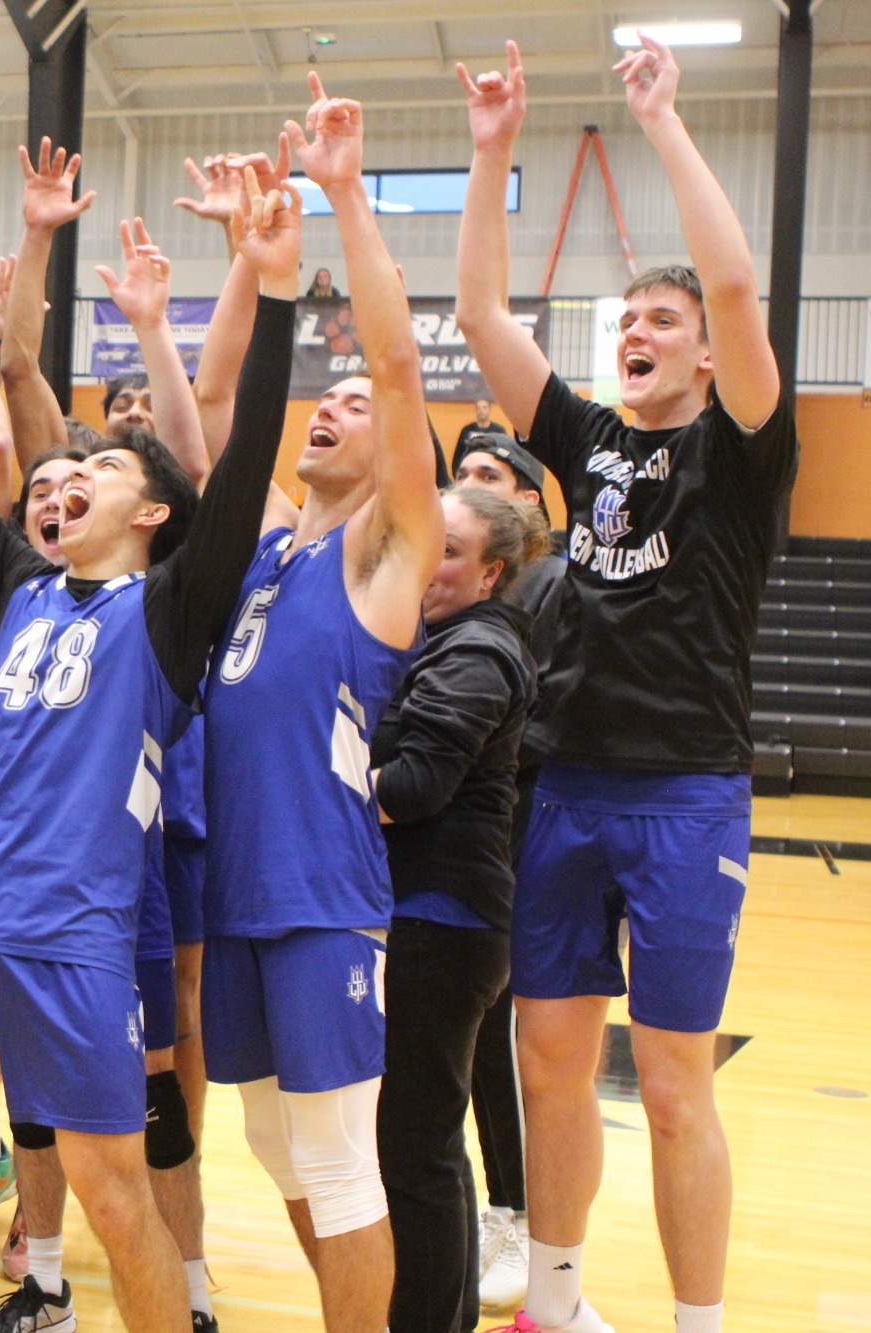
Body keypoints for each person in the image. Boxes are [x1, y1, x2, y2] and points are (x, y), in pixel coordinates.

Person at [0, 154, 294, 1331]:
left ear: (149, 513)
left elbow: (248, 457)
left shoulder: (168, 612)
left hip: (71, 927)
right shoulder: (16, 581)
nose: (70, 484)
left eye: (101, 469)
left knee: (113, 1189)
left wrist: (275, 293)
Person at [454, 37, 797, 1333]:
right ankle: (553, 1299)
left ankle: (697, 1319)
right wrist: (490, 154)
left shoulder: (742, 450)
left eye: (662, 321)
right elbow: (486, 318)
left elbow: (737, 282)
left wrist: (659, 119)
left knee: (669, 1084)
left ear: (710, 356)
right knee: (548, 1063)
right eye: (628, 322)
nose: (637, 333)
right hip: (564, 787)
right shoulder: (590, 441)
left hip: (685, 795)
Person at [196, 75, 444, 1333]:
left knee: (340, 1163)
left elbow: (397, 369)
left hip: (320, 894)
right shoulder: (264, 552)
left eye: (350, 410)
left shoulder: (381, 561)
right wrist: (251, 265)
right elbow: (214, 403)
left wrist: (344, 197)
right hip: (232, 890)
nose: (332, 409)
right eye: (324, 400)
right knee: (276, 1150)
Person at [369, 486, 546, 1331]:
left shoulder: (478, 651)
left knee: (416, 1146)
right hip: (433, 917)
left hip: (443, 922)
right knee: (421, 1139)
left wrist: (313, 777)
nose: (427, 559)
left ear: (490, 573)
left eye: (449, 548)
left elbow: (411, 787)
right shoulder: (438, 640)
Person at [450, 411, 565, 1314]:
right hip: (450, 829)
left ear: (529, 501)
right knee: (464, 1030)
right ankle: (487, 1206)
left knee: (510, 1027)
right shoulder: (443, 586)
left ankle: (520, 1213)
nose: (472, 482)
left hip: (520, 823)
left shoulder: (555, 585)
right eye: (463, 472)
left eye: (490, 472)